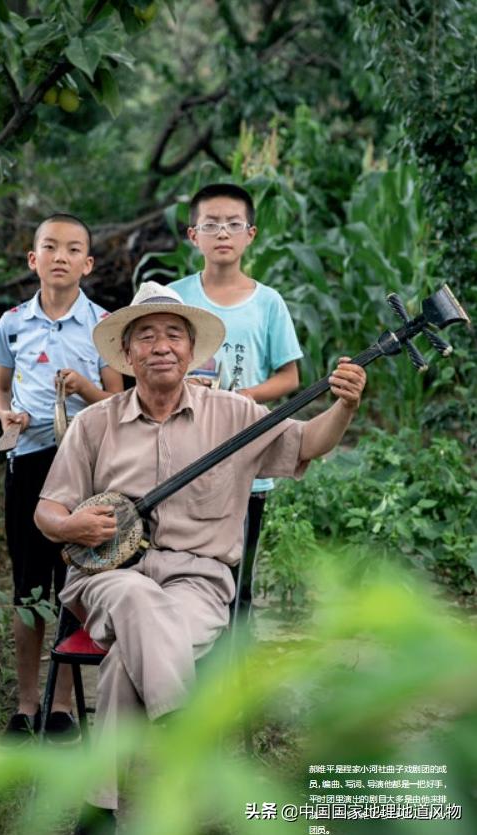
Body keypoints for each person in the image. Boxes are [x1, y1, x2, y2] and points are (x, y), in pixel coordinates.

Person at [34, 281, 366, 833]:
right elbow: (47, 509)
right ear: (128, 353)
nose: (161, 345)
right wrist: (70, 524)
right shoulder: (95, 424)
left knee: (124, 663)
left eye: (173, 334)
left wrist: (345, 407)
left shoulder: (235, 414)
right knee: (135, 595)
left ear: (191, 350)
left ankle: (102, 809)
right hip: (106, 579)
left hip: (197, 584)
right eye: (146, 336)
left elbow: (307, 442)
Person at [0, 213, 123, 738]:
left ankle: (62, 706)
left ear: (87, 264)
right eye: (50, 247)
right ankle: (25, 706)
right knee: (28, 586)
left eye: (72, 249)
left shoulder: (103, 326)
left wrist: (86, 388)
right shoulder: (13, 321)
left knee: (75, 582)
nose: (60, 256)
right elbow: (1, 391)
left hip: (84, 470)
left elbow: (118, 401)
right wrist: (6, 416)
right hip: (29, 461)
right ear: (33, 259)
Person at [169, 182, 303, 582]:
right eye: (211, 225)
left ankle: (239, 643)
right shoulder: (175, 298)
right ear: (193, 236)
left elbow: (289, 378)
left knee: (239, 576)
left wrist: (243, 396)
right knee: (183, 568)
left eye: (233, 223)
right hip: (184, 452)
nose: (223, 233)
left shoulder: (268, 303)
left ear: (251, 234)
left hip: (247, 452)